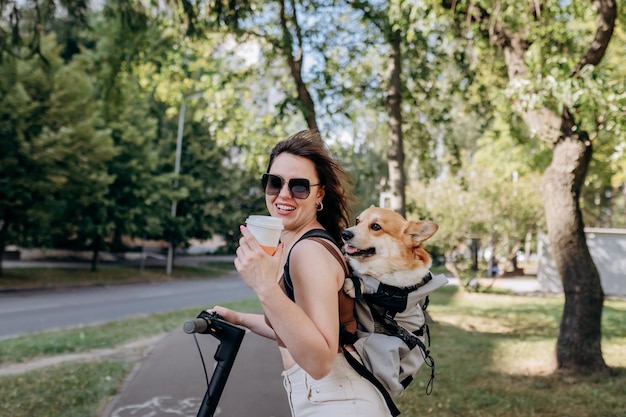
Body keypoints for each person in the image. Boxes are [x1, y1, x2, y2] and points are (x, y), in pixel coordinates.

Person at [213, 129, 393, 417]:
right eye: (274, 183)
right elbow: (295, 329)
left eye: (299, 186)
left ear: (319, 194)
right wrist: (237, 318)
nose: (283, 195)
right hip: (330, 399)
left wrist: (264, 286)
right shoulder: (297, 243)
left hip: (337, 404)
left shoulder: (309, 252)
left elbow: (320, 360)